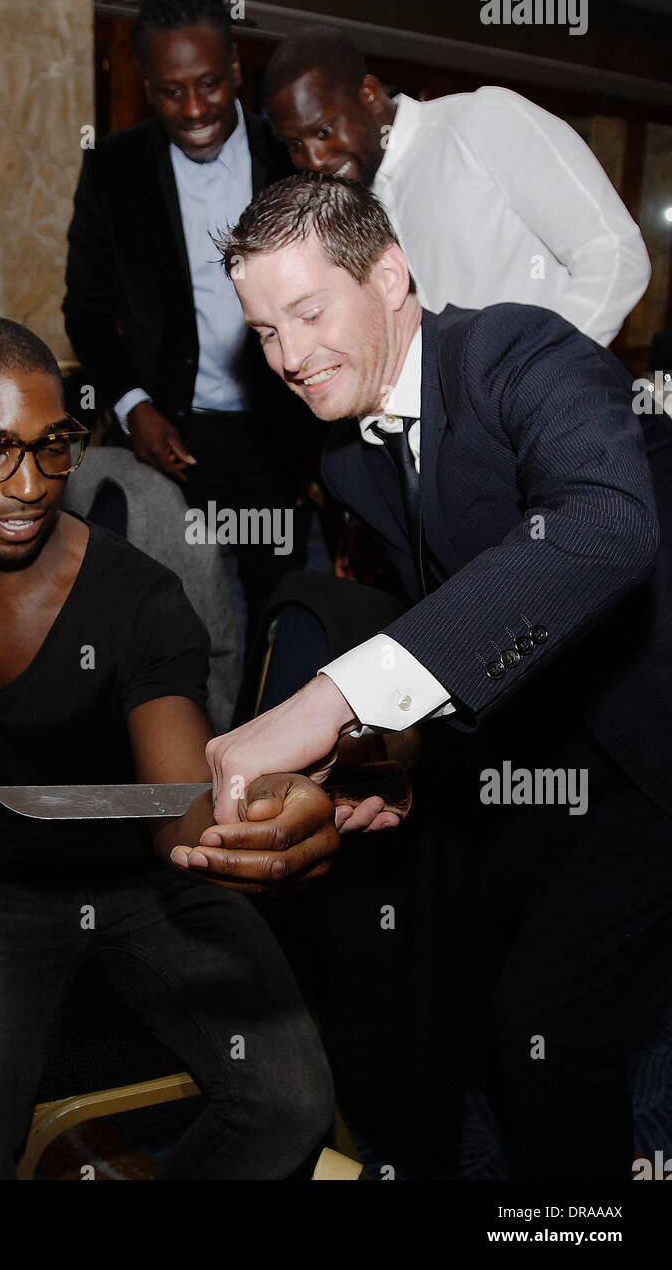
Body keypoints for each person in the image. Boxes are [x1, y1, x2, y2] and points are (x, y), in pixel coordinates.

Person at [197, 173, 672, 1180]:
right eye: (263, 330)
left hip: (655, 733)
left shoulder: (517, 350)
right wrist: (394, 753)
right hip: (554, 756)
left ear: (389, 273)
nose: (285, 356)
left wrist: (326, 703)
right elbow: (468, 630)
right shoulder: (352, 461)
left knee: (546, 1015)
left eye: (308, 312)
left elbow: (606, 530)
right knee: (494, 1006)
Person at [0, 315, 339, 1181]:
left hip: (149, 887)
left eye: (52, 446)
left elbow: (177, 813)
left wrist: (251, 833)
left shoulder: (136, 599)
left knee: (290, 1104)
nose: (29, 484)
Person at [63, 0, 318, 642]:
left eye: (209, 84)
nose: (197, 109)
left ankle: (261, 743)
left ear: (236, 69)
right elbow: (85, 311)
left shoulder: (290, 155)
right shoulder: (113, 171)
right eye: (173, 92)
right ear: (148, 89)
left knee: (277, 605)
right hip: (166, 434)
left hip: (275, 432)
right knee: (164, 611)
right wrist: (131, 404)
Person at [263, 27, 650, 347]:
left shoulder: (480, 121)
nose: (313, 160)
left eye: (324, 131)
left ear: (368, 95)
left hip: (551, 414)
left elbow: (615, 254)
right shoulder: (353, 207)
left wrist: (540, 373)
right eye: (295, 145)